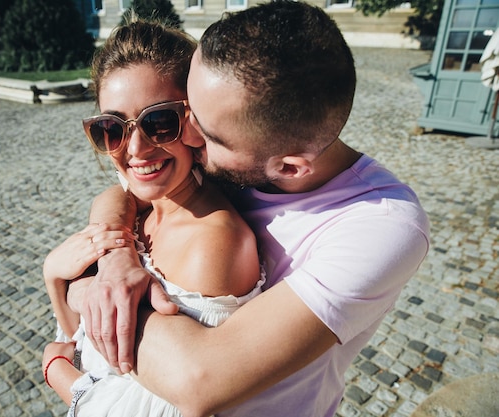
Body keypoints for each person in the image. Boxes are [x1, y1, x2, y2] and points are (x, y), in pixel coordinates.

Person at [67, 1, 431, 417]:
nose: (183, 136)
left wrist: (80, 291)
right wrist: (115, 260)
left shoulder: (380, 225)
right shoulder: (237, 153)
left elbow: (197, 379)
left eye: (203, 131)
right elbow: (126, 191)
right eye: (185, 112)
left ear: (289, 167)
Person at [41, 20, 263, 416]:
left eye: (159, 122)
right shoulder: (148, 203)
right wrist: (106, 256)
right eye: (112, 128)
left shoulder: (212, 245)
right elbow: (78, 334)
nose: (136, 149)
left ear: (194, 121)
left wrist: (57, 370)